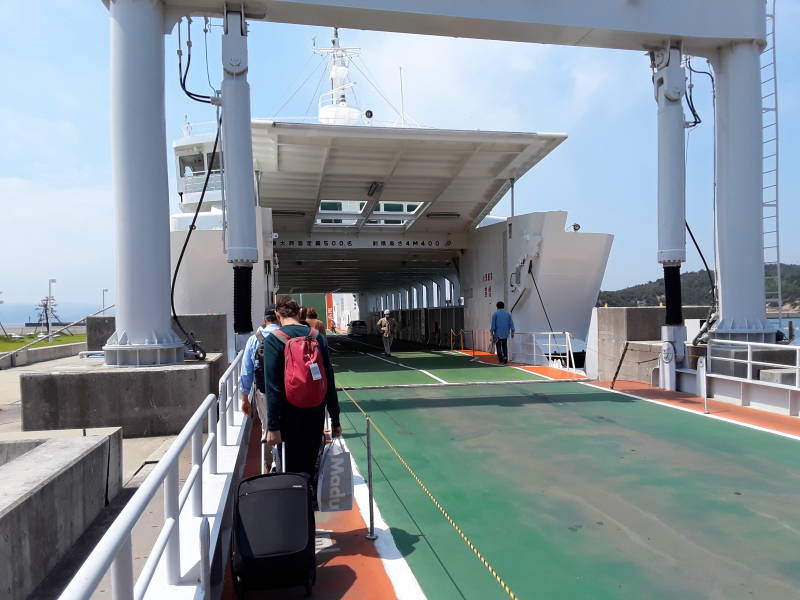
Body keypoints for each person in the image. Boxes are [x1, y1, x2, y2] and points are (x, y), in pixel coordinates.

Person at [263, 296, 342, 477]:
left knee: (291, 467)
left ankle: (298, 499)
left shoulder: (274, 340)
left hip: (288, 414)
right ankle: (311, 498)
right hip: (315, 410)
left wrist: (273, 426)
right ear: (299, 313)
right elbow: (328, 379)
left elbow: (273, 386)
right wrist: (335, 420)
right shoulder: (316, 337)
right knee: (312, 462)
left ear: (277, 315)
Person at [240, 307, 281, 469]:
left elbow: (246, 371)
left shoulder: (254, 339)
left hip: (263, 391)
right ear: (278, 318)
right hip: (286, 391)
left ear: (265, 320)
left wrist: (244, 398)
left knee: (267, 426)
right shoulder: (285, 336)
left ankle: (269, 465)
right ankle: (286, 462)